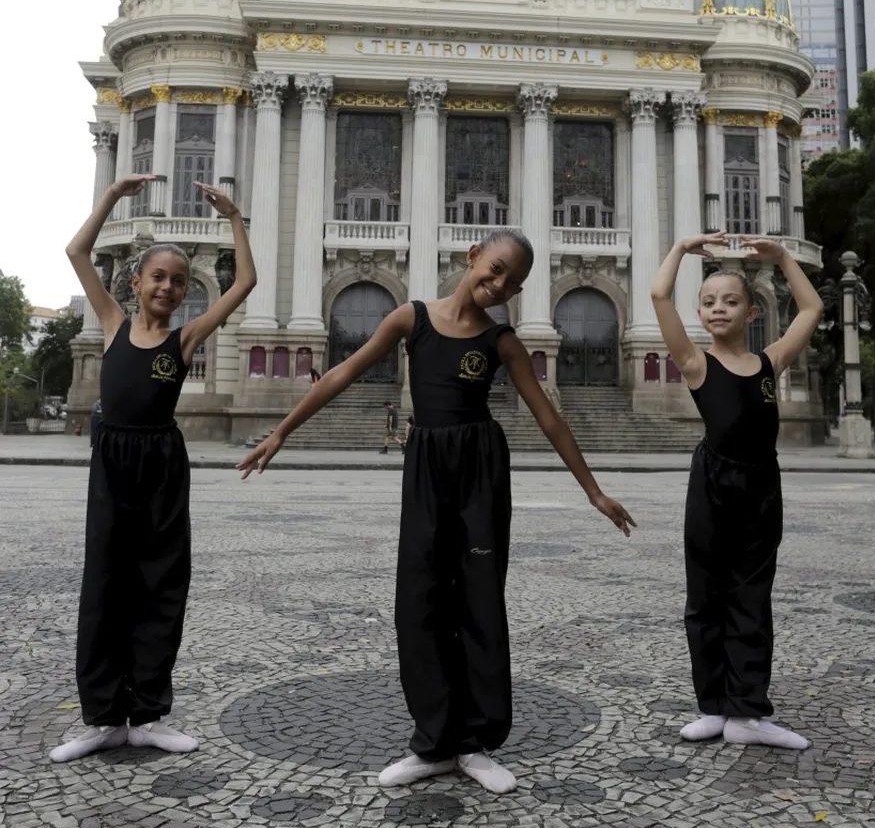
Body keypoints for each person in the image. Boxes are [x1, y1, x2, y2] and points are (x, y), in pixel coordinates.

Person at [237, 229, 634, 793]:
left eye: (509, 282)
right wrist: (280, 432)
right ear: (473, 258)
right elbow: (341, 374)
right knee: (421, 599)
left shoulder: (502, 342)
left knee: (477, 599)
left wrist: (593, 491)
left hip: (480, 470)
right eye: (492, 269)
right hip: (426, 465)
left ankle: (474, 743)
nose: (496, 285)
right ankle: (434, 741)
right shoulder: (410, 318)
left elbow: (549, 417)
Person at [50, 174, 257, 763]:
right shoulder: (113, 324)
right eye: (158, 277)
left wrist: (235, 219)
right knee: (106, 585)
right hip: (113, 462)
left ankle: (147, 713)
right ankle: (100, 718)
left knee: (161, 584)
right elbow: (76, 253)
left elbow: (245, 281)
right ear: (136, 282)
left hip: (162, 463)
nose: (167, 287)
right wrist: (112, 199)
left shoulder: (186, 339)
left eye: (179, 281)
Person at [650, 232, 823, 751]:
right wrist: (681, 249)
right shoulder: (698, 363)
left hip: (761, 485)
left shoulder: (770, 363)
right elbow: (659, 297)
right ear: (700, 314)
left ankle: (747, 713)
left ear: (752, 313)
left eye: (729, 301)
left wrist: (783, 257)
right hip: (712, 483)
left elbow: (811, 307)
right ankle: (713, 707)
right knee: (705, 596)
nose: (717, 309)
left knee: (752, 596)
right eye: (708, 303)